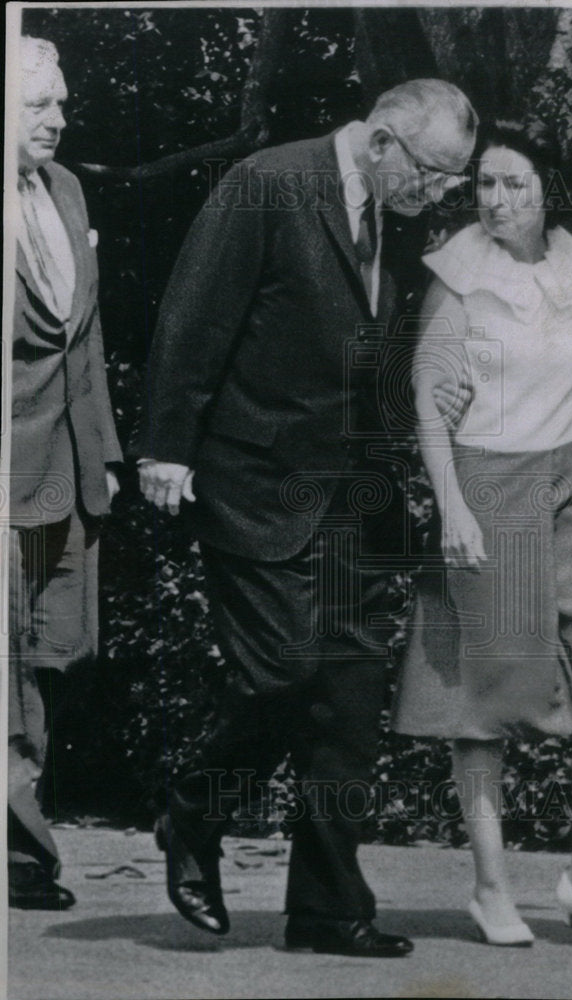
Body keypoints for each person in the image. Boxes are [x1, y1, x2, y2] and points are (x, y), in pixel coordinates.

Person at [138, 80, 477, 957]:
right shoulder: (268, 183)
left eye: (452, 181)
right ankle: (192, 813)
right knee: (281, 674)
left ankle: (329, 909)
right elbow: (192, 314)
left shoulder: (400, 218)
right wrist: (165, 444)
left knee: (350, 705)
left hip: (356, 497)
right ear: (382, 142)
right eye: (434, 173)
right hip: (255, 478)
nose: (439, 194)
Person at [392, 121, 572, 947]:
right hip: (488, 487)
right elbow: (430, 402)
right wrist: (453, 507)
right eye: (485, 184)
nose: (498, 200)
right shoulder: (456, 278)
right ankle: (489, 889)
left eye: (515, 184)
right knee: (483, 706)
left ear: (551, 191)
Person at [7, 36, 122, 910]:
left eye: (60, 102)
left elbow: (85, 338)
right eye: (38, 104)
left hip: (65, 468)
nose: (59, 117)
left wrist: (105, 455)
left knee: (47, 656)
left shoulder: (68, 188)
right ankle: (23, 854)